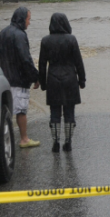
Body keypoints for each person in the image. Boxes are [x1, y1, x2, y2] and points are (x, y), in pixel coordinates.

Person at [38, 13, 86, 152]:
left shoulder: (45, 41)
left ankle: (55, 142)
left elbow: (42, 64)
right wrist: (82, 80)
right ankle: (68, 142)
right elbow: (78, 62)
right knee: (69, 112)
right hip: (70, 79)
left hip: (53, 79)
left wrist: (42, 82)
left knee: (54, 112)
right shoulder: (71, 40)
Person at [0, 7, 40, 148]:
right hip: (18, 80)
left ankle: (3, 141)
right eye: (28, 19)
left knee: (5, 111)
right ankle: (24, 139)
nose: (29, 23)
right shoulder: (20, 35)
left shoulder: (2, 33)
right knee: (21, 111)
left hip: (3, 79)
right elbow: (25, 59)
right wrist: (35, 76)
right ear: (22, 19)